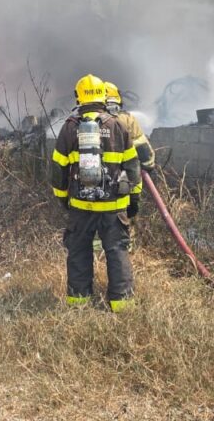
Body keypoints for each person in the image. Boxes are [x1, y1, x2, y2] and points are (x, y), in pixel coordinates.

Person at [51, 74, 140, 311]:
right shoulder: (118, 124)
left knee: (79, 252)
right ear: (103, 95)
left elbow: (58, 167)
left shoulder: (70, 127)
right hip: (113, 207)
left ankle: (79, 302)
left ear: (79, 96)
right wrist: (134, 201)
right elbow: (132, 167)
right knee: (117, 252)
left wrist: (63, 199)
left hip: (81, 206)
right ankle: (122, 304)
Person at [104, 81, 155, 221]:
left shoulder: (84, 123)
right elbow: (146, 156)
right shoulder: (127, 120)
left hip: (89, 194)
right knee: (119, 233)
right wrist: (148, 167)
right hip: (122, 190)